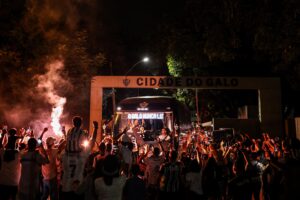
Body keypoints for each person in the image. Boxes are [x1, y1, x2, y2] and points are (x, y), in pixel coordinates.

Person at [60, 119, 98, 200]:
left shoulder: (64, 154)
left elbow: (65, 142)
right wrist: (95, 128)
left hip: (65, 188)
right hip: (78, 188)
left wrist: (64, 133)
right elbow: (92, 142)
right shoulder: (82, 154)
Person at [0, 128, 21, 200]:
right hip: (13, 183)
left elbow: (0, 145)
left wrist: (3, 135)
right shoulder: (18, 155)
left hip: (3, 182)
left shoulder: (2, 153)